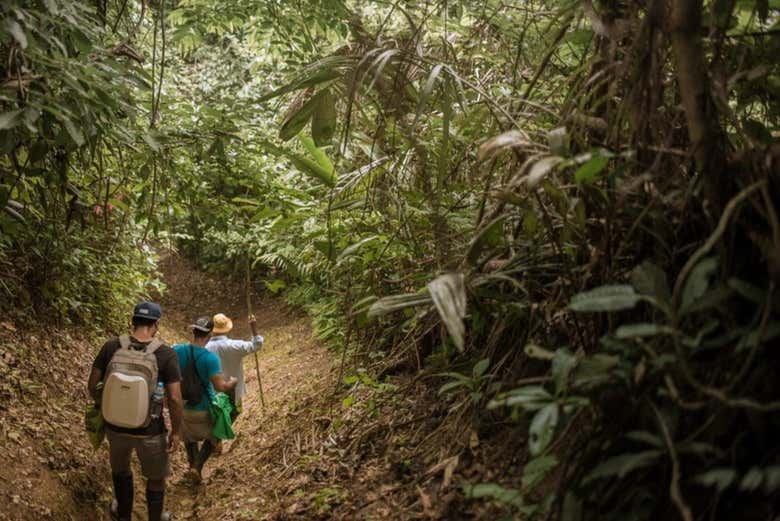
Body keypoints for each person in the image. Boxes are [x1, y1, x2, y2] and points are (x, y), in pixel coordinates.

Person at [87, 301, 183, 521]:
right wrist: (176, 431)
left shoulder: (111, 346)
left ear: (132, 321)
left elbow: (92, 385)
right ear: (156, 325)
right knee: (156, 477)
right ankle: (155, 518)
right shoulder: (166, 354)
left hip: (115, 428)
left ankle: (123, 515)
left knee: (120, 471)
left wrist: (108, 408)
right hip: (150, 430)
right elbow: (175, 399)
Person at [173, 316, 237, 483]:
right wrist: (232, 382)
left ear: (194, 332)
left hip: (183, 407)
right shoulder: (210, 359)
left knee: (189, 437)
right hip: (203, 409)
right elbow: (220, 387)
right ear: (209, 335)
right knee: (215, 434)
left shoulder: (177, 350)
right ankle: (197, 466)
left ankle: (192, 467)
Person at [206, 313, 264, 422]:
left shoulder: (205, 348)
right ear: (227, 329)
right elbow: (257, 345)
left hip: (211, 394)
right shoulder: (234, 346)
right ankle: (216, 438)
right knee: (232, 415)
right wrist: (254, 329)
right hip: (234, 393)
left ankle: (214, 438)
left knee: (215, 421)